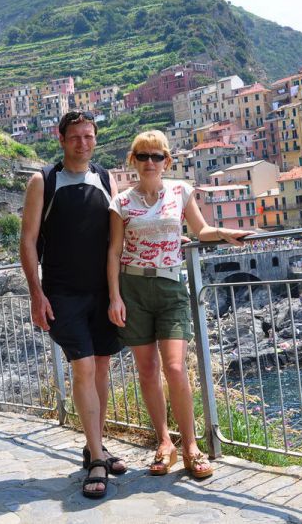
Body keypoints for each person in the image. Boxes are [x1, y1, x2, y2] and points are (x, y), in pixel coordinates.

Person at [107, 130, 251, 479]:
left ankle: (190, 445)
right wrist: (114, 297)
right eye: (144, 156)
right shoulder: (121, 203)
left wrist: (226, 234)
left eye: (158, 156)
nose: (151, 162)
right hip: (133, 288)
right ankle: (163, 442)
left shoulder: (181, 191)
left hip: (172, 286)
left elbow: (200, 231)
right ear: (134, 161)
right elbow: (113, 251)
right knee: (145, 370)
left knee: (174, 368)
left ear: (167, 161)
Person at [20, 110, 125, 499]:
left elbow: (118, 238)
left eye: (89, 136)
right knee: (83, 370)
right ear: (61, 139)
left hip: (102, 293)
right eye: (76, 137)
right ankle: (97, 460)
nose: (83, 143)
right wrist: (36, 293)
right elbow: (28, 242)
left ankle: (93, 445)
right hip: (63, 294)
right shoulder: (43, 181)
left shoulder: (106, 177)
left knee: (101, 370)